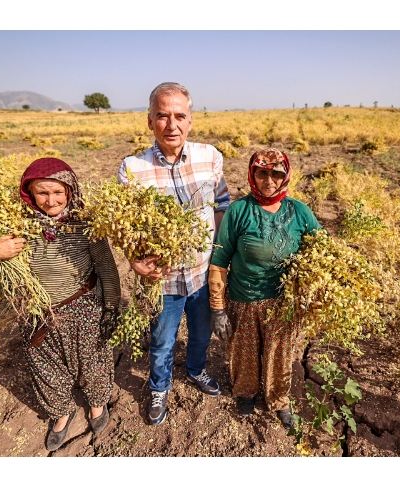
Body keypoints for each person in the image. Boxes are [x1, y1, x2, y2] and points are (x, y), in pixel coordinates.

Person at [0, 157, 121, 451]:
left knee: (92, 362)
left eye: (58, 192)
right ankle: (61, 411)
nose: (51, 200)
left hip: (83, 306)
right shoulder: (17, 227)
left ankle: (96, 405)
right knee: (45, 368)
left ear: (69, 191)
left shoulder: (86, 223)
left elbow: (106, 266)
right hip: (35, 312)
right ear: (30, 193)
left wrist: (111, 307)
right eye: (42, 192)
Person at [118, 82, 230, 426]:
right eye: (163, 116)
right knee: (163, 340)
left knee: (201, 334)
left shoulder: (210, 157)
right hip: (161, 279)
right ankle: (158, 387)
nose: (172, 124)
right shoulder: (132, 167)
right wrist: (134, 260)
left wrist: (221, 261)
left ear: (190, 120)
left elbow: (221, 208)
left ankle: (196, 370)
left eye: (179, 116)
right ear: (149, 120)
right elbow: (125, 224)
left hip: (202, 274)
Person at [208, 148, 323, 429]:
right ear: (252, 175)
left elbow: (323, 252)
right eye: (262, 173)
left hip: (283, 305)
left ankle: (278, 400)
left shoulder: (299, 212)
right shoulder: (239, 211)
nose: (269, 179)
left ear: (286, 176)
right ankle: (245, 394)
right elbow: (220, 259)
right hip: (243, 298)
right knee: (243, 353)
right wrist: (218, 309)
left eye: (276, 173)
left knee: (280, 355)